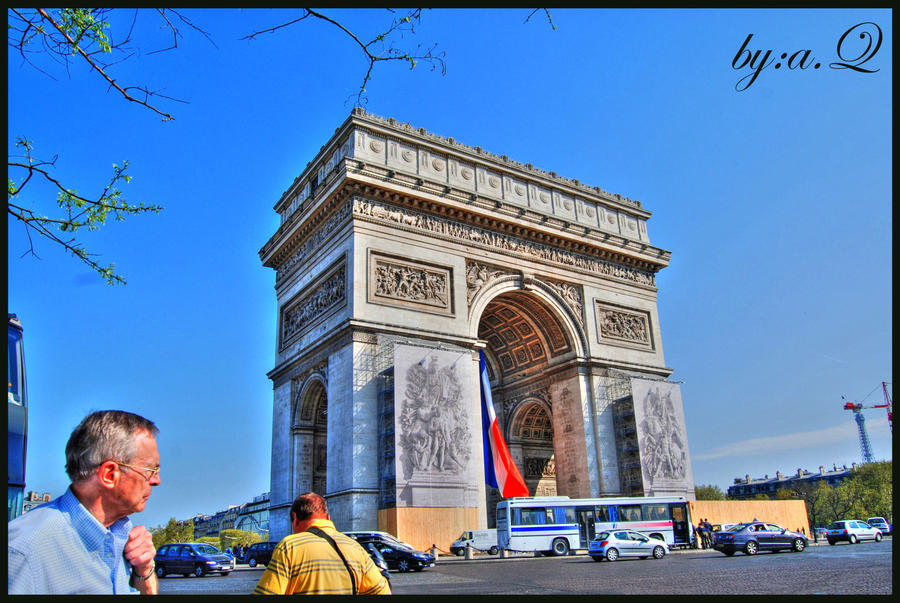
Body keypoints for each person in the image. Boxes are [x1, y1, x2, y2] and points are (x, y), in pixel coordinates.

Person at [8, 410, 161, 594]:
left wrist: (143, 571)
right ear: (110, 475)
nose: (156, 480)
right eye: (150, 469)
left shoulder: (124, 539)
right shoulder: (23, 553)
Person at [253, 492, 391, 595]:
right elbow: (382, 593)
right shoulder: (356, 548)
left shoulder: (289, 547)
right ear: (328, 518)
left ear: (295, 519)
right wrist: (382, 576)